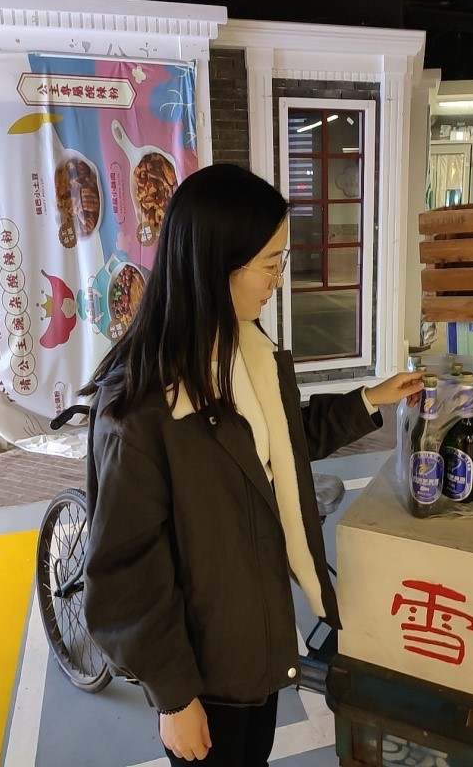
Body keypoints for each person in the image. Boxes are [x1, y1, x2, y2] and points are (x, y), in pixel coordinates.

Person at [82, 163, 424, 765]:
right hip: (202, 675)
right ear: (218, 263)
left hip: (254, 648)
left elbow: (281, 442)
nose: (278, 279)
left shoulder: (243, 349)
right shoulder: (142, 407)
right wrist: (174, 697)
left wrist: (371, 399)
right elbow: (124, 573)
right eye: (270, 263)